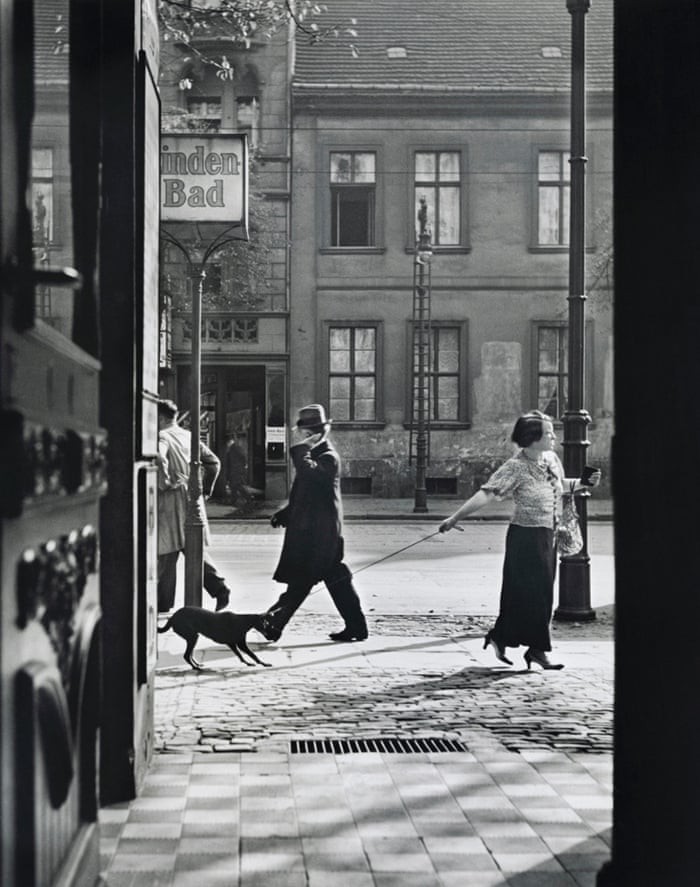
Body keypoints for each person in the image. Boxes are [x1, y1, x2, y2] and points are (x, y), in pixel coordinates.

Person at [439, 410, 601, 670]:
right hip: (524, 538)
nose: (553, 436)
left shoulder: (550, 459)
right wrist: (455, 518)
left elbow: (560, 486)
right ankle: (532, 648)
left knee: (539, 595)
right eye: (548, 433)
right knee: (527, 595)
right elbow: (487, 494)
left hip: (548, 534)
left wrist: (583, 483)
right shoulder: (516, 467)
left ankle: (512, 641)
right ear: (532, 438)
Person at [259, 404, 368, 643]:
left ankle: (272, 622)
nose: (301, 437)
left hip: (321, 537)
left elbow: (310, 476)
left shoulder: (327, 458)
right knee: (333, 581)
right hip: (315, 535)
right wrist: (285, 514)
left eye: (305, 433)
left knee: (303, 582)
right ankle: (356, 627)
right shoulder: (317, 457)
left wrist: (302, 449)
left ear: (316, 433)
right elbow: (308, 495)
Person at [157, 399, 233, 613]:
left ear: (161, 418)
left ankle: (163, 602)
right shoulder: (188, 436)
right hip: (191, 499)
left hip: (170, 501)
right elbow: (213, 462)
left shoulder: (162, 436)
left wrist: (164, 483)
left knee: (166, 550)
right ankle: (219, 588)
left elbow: (158, 457)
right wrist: (204, 489)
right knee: (191, 547)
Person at [223, 433, 252, 508]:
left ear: (229, 441)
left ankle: (248, 498)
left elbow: (242, 457)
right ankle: (234, 500)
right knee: (234, 486)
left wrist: (242, 466)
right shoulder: (234, 448)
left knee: (238, 486)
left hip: (237, 470)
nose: (227, 445)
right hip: (236, 470)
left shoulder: (234, 448)